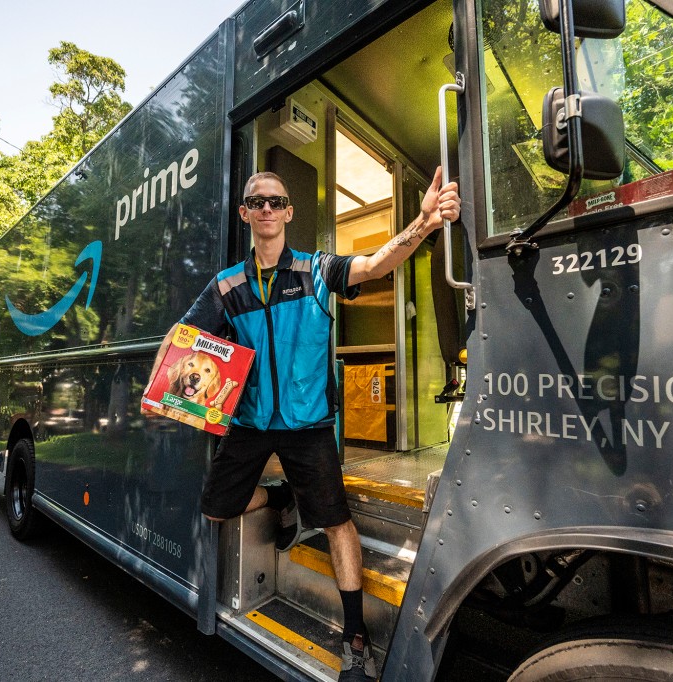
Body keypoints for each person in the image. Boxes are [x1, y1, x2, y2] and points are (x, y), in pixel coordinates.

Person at [145, 167, 460, 681]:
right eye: (256, 202)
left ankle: (355, 640)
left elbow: (378, 264)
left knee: (336, 523)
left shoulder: (316, 270)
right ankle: (279, 498)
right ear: (245, 213)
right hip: (249, 424)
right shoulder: (227, 286)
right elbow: (182, 335)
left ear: (289, 211)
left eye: (276, 201)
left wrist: (423, 223)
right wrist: (158, 393)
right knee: (218, 507)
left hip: (310, 425)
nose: (266, 209)